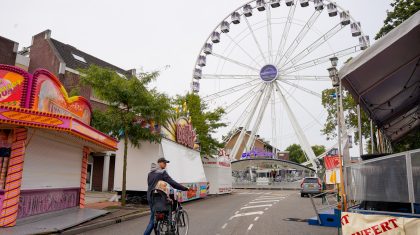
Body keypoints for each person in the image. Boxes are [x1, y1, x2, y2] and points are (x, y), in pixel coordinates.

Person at [144, 157, 189, 235]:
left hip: (150, 197)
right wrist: (184, 188)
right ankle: (170, 228)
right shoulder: (162, 172)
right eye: (164, 163)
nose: (166, 165)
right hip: (160, 198)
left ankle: (159, 226)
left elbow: (150, 185)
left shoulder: (150, 173)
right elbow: (172, 183)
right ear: (159, 163)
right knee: (167, 209)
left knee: (153, 219)